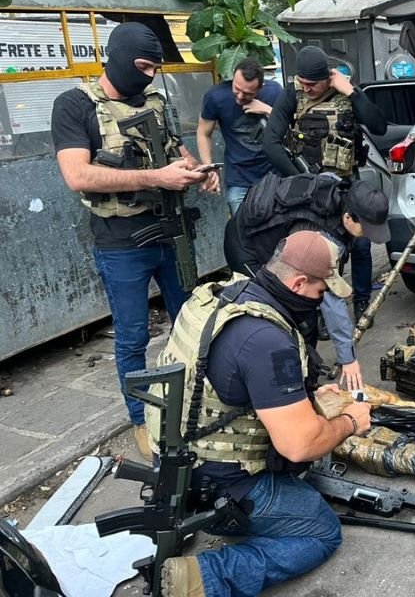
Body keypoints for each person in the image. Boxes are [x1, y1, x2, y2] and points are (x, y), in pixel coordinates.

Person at [151, 230, 372, 597]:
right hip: (217, 486)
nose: (322, 299)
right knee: (322, 531)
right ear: (300, 282)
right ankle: (206, 577)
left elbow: (225, 384)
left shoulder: (225, 294)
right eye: (322, 291)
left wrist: (309, 397)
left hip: (174, 461)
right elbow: (299, 447)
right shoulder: (267, 340)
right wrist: (350, 422)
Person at [50, 22, 217, 460]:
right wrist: (154, 177)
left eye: (155, 68)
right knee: (132, 338)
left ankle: (191, 410)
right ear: (119, 57)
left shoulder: (157, 102)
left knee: (192, 324)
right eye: (143, 66)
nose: (149, 76)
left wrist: (197, 169)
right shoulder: (74, 105)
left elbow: (175, 149)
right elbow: (77, 175)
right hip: (120, 241)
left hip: (173, 232)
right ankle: (143, 421)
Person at [224, 172, 391, 390]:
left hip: (280, 241)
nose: (368, 236)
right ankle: (281, 387)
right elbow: (332, 302)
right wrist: (347, 358)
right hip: (247, 248)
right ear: (348, 217)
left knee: (306, 313)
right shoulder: (320, 238)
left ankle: (304, 375)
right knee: (280, 316)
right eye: (367, 229)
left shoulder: (342, 191)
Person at [263, 46, 388, 323]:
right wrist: (301, 179)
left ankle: (362, 302)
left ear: (327, 78)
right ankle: (316, 309)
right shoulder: (291, 94)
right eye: (302, 82)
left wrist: (352, 91)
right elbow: (270, 142)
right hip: (310, 190)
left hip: (346, 184)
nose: (306, 89)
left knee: (361, 246)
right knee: (316, 251)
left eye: (312, 84)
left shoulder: (345, 92)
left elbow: (379, 126)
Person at [196, 57, 282, 214]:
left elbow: (290, 126)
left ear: (260, 87)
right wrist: (209, 168)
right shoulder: (216, 97)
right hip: (238, 177)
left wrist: (268, 110)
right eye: (237, 89)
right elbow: (203, 133)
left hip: (273, 175)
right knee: (241, 230)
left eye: (248, 93)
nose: (241, 97)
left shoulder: (275, 91)